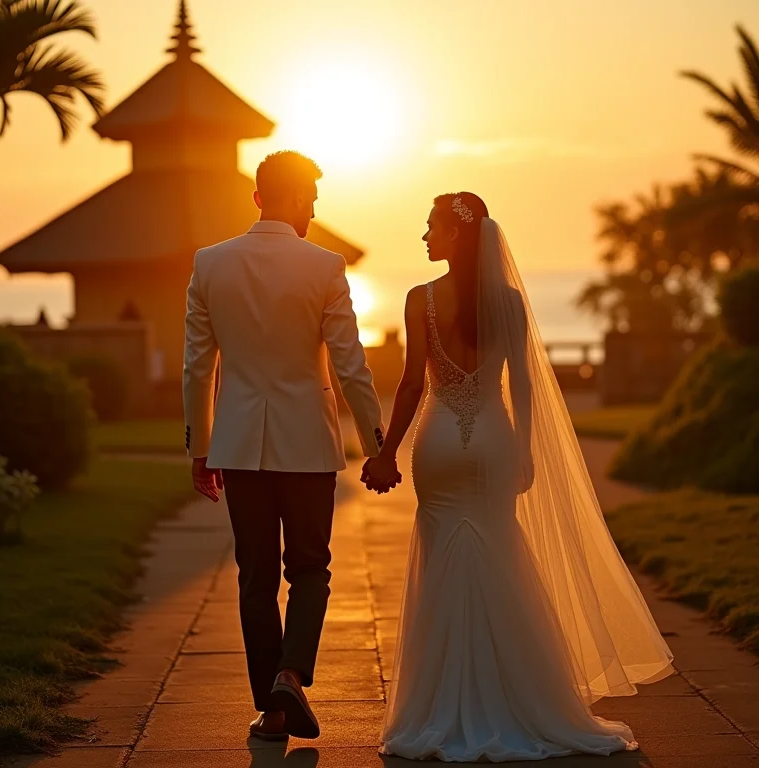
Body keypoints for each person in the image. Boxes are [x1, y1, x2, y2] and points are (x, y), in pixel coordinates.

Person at [363, 193, 674, 762]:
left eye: (431, 227)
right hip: (493, 442)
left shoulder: (418, 299)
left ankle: (439, 705)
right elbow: (524, 385)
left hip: (438, 443)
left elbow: (410, 384)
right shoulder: (507, 302)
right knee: (501, 557)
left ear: (457, 236)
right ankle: (520, 699)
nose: (425, 236)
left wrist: (387, 454)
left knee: (440, 565)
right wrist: (525, 450)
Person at [182, 151, 399, 742]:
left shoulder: (210, 264)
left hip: (239, 447)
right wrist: (376, 443)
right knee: (310, 569)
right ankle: (289, 676)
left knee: (255, 576)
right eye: (310, 199)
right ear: (299, 200)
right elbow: (352, 365)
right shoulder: (325, 266)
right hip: (307, 445)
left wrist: (200, 448)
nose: (311, 210)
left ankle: (273, 710)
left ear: (257, 197)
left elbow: (198, 368)